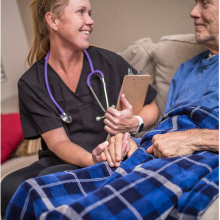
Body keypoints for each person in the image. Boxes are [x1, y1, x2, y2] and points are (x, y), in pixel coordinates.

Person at [3, 0, 219, 219]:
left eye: (90, 12)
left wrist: (135, 122)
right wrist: (91, 160)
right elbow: (58, 141)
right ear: (52, 20)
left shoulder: (109, 62)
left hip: (110, 153)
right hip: (66, 156)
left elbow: (152, 107)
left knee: (42, 186)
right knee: (9, 187)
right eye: (81, 12)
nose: (91, 21)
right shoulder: (32, 82)